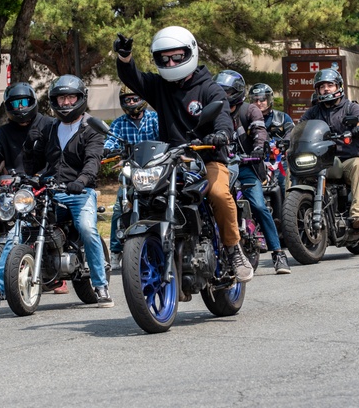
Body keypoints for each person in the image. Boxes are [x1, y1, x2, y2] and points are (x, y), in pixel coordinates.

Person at [114, 27, 255, 284]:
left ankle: (234, 250)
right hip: (170, 160)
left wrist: (221, 135)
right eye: (164, 58)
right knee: (140, 193)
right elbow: (134, 79)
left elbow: (222, 117)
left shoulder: (210, 89)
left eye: (177, 57)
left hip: (207, 158)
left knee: (218, 194)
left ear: (190, 53)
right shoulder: (160, 87)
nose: (170, 63)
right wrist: (125, 57)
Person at [0, 75, 113, 309]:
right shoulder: (50, 128)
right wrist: (30, 147)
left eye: (71, 97)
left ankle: (100, 285)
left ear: (80, 98)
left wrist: (82, 181)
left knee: (87, 228)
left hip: (79, 192)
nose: (66, 103)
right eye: (61, 98)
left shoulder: (91, 128)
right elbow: (34, 165)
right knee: (19, 228)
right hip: (50, 190)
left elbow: (93, 161)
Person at [0, 83, 62, 303]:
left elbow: (57, 155)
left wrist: (45, 175)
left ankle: (79, 272)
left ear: (33, 101)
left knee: (73, 222)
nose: (19, 107)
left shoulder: (48, 125)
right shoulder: (4, 132)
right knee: (14, 232)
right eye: (14, 103)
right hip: (19, 191)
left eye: (24, 102)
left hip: (46, 186)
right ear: (8, 106)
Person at [215, 70, 290, 275]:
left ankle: (278, 254)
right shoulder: (213, 110)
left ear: (237, 92)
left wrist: (258, 148)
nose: (223, 94)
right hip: (221, 166)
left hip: (246, 165)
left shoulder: (250, 110)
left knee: (258, 205)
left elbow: (260, 131)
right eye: (220, 91)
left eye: (227, 91)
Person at [296, 68, 359, 229]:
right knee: (294, 168)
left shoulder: (350, 107)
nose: (326, 89)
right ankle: (291, 215)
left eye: (330, 85)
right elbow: (300, 127)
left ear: (338, 87)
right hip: (322, 160)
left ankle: (358, 214)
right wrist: (288, 138)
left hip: (347, 159)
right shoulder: (313, 111)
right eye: (322, 86)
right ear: (317, 90)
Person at [102, 85, 159, 270]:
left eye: (135, 98)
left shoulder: (154, 119)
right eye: (128, 100)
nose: (132, 103)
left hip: (155, 170)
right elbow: (110, 141)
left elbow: (165, 138)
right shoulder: (119, 123)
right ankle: (116, 250)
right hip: (130, 170)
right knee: (120, 206)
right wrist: (108, 150)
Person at [248, 83, 293, 193]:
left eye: (263, 99)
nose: (259, 103)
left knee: (283, 184)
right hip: (254, 159)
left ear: (269, 99)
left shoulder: (282, 117)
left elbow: (292, 132)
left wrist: (284, 143)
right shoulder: (246, 118)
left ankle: (286, 209)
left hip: (279, 160)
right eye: (255, 100)